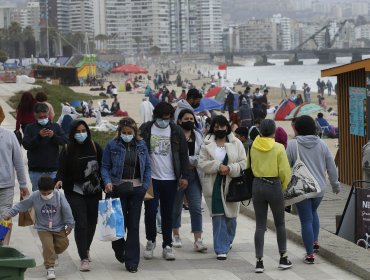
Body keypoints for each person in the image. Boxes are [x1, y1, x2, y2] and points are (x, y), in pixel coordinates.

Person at [286, 115, 340, 264]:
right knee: (313, 213)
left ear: (297, 128)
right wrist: (335, 185)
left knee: (306, 221)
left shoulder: (293, 145)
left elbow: (285, 166)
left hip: (302, 189)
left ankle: (309, 254)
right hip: (320, 189)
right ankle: (314, 242)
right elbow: (331, 166)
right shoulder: (322, 144)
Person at [140, 102, 189, 261]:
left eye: (167, 118)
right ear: (156, 116)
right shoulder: (146, 129)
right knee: (150, 211)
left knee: (168, 213)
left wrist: (185, 176)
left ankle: (167, 245)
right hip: (151, 179)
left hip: (171, 179)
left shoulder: (176, 131)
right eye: (161, 118)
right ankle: (150, 240)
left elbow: (183, 155)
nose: (164, 121)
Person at [101, 117, 151, 272]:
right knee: (117, 224)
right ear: (119, 131)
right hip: (118, 188)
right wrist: (107, 181)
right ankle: (120, 249)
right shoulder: (112, 145)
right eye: (124, 132)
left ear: (135, 132)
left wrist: (145, 186)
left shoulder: (142, 145)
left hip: (137, 190)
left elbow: (148, 167)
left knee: (134, 225)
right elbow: (104, 167)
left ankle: (132, 262)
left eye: (130, 132)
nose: (127, 135)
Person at [3, 176, 74, 280]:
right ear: (39, 190)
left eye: (48, 193)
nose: (46, 195)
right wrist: (10, 213)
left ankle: (50, 254)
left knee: (63, 244)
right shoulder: (35, 196)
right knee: (48, 246)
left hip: (59, 226)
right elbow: (22, 205)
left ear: (53, 188)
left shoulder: (59, 195)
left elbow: (67, 209)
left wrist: (70, 224)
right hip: (43, 228)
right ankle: (50, 268)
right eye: (43, 193)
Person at [55, 120, 102, 272]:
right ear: (72, 133)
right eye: (78, 131)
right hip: (74, 191)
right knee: (81, 223)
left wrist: (107, 182)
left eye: (84, 130)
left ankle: (86, 248)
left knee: (91, 222)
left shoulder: (95, 146)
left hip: (94, 191)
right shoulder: (68, 149)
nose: (81, 134)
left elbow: (104, 166)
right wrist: (59, 180)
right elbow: (61, 169)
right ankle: (83, 257)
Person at [198, 115, 246, 260]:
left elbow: (243, 162)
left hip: (231, 185)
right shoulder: (206, 144)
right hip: (213, 185)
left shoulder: (236, 143)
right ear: (213, 128)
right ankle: (221, 248)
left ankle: (228, 240)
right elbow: (202, 163)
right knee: (218, 217)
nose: (219, 129)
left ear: (227, 127)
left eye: (222, 126)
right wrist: (218, 166)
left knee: (231, 218)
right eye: (216, 127)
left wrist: (230, 168)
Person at [249, 119, 292, 273]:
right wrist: (283, 186)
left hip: (257, 184)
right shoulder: (279, 147)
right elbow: (285, 172)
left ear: (260, 131)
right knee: (280, 223)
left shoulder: (253, 145)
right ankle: (283, 258)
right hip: (274, 185)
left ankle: (259, 262)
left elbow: (249, 166)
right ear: (274, 131)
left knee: (260, 225)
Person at [172, 109, 207, 252]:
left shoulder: (198, 135)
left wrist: (188, 161)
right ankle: (176, 235)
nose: (190, 121)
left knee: (196, 207)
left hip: (194, 176)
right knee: (176, 207)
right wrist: (190, 161)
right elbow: (174, 157)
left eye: (192, 119)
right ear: (179, 120)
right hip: (178, 176)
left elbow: (202, 156)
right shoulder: (174, 135)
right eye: (186, 119)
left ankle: (198, 239)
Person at [22, 103, 67, 191]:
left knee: (54, 196)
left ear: (48, 113)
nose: (43, 119)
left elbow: (65, 141)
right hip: (36, 171)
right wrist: (38, 137)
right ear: (35, 116)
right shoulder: (30, 128)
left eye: (45, 116)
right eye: (40, 117)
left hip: (53, 170)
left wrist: (54, 136)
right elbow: (26, 145)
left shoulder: (55, 127)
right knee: (38, 196)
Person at [0, 122, 29, 245]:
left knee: (5, 215)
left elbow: (18, 161)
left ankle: (3, 244)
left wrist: (23, 184)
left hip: (6, 185)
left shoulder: (9, 135)